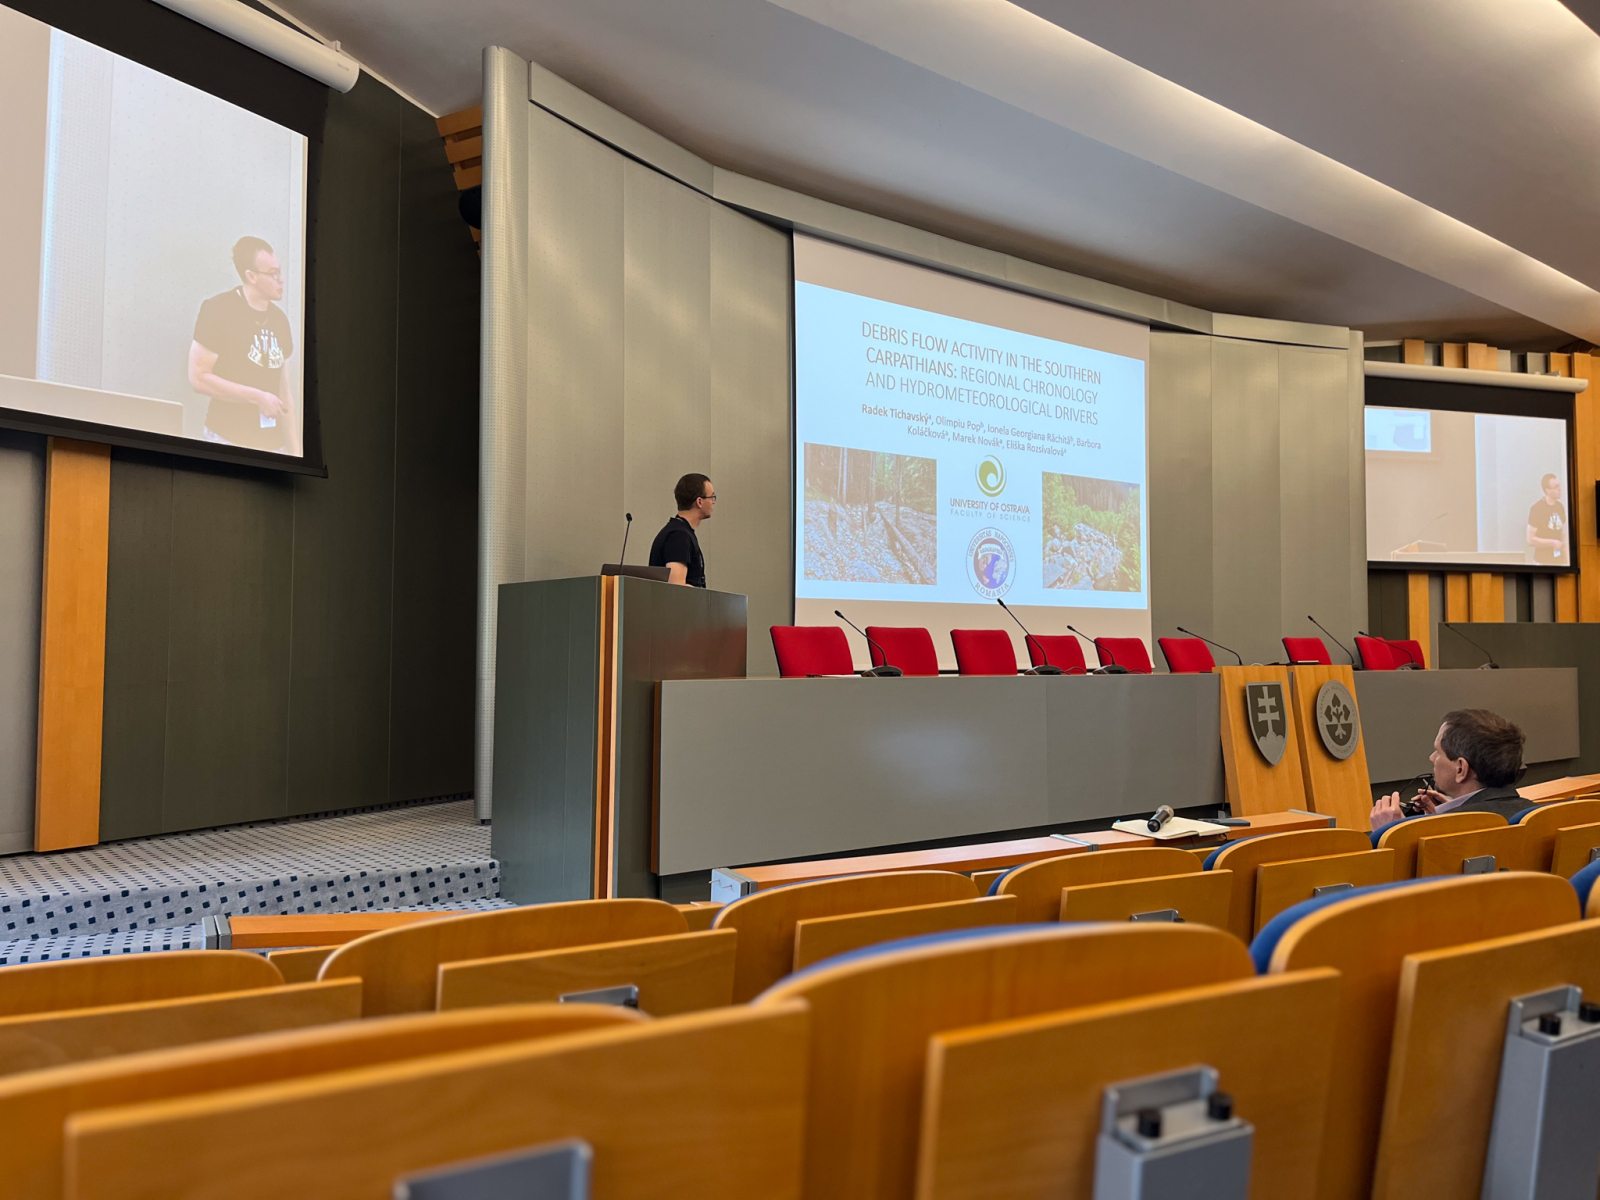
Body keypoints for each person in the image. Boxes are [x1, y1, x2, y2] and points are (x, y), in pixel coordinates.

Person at [187, 236, 298, 454]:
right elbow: (198, 378)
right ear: (251, 276)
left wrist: (295, 453)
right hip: (226, 441)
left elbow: (284, 393)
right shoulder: (218, 310)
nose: (281, 280)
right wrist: (257, 397)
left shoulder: (280, 321)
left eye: (280, 272)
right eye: (273, 273)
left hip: (273, 446)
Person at [1369, 708, 1526, 833]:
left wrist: (1391, 833)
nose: (1432, 758)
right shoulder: (1532, 814)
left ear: (1461, 769)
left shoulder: (1451, 832)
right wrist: (1447, 815)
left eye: (1438, 752)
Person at [648, 473, 715, 587]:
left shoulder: (680, 532)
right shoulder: (678, 536)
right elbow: (676, 589)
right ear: (699, 502)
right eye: (712, 497)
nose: (713, 501)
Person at [1526, 473, 1567, 566]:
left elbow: (1562, 534)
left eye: (1559, 486)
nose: (1559, 489)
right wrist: (1552, 543)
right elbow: (1530, 539)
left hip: (1559, 561)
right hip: (1542, 562)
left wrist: (1568, 561)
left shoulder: (1560, 507)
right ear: (1547, 490)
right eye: (1556, 487)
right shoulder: (1537, 509)